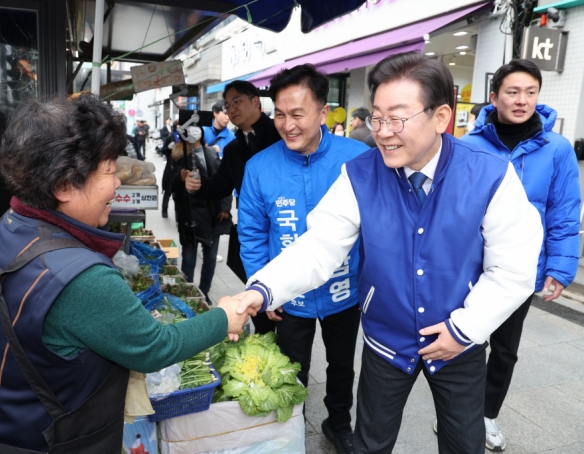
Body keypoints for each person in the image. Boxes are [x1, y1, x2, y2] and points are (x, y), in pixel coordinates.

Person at [229, 51, 543, 453]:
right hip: (386, 340)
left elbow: (513, 268)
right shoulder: (360, 173)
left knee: (465, 443)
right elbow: (319, 247)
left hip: (460, 341)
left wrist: (464, 328)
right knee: (370, 442)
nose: (383, 132)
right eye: (377, 117)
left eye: (397, 118)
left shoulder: (490, 175)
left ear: (441, 117)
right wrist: (259, 290)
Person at [0, 94, 247, 453]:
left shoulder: (12, 225)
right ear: (63, 185)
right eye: (108, 170)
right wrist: (223, 317)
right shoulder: (78, 277)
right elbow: (155, 347)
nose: (117, 183)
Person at [239, 63, 369, 454]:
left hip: (344, 289)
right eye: (280, 113)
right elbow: (252, 233)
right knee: (290, 364)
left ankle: (338, 422)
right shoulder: (259, 166)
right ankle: (288, 427)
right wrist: (264, 286)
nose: (287, 124)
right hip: (289, 294)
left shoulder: (360, 158)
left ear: (322, 112)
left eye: (298, 114)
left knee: (342, 364)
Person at [458, 59, 580, 452]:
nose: (522, 100)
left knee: (505, 349)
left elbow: (564, 211)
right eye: (512, 92)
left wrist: (561, 267)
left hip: (523, 269)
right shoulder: (467, 146)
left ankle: (487, 415)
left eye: (530, 92)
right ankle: (460, 417)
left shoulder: (557, 149)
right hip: (472, 266)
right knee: (469, 340)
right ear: (494, 98)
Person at [184, 80, 282, 335]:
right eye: (227, 105)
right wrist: (197, 185)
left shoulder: (280, 137)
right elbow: (219, 186)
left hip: (286, 231)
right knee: (260, 306)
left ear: (256, 101)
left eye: (237, 101)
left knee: (293, 318)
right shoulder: (234, 148)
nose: (231, 109)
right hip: (254, 236)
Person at [171, 124, 232, 302]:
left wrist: (224, 208)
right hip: (189, 215)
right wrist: (180, 178)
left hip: (212, 215)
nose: (193, 136)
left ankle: (204, 293)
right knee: (189, 257)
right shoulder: (178, 155)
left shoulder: (211, 154)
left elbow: (224, 181)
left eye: (196, 132)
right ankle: (188, 292)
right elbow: (172, 182)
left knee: (210, 258)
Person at [160, 120, 179, 218]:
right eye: (178, 125)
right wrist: (168, 147)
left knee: (178, 193)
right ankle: (164, 210)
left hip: (181, 168)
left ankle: (178, 213)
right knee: (168, 190)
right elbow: (163, 150)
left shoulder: (186, 138)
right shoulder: (170, 137)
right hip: (171, 167)